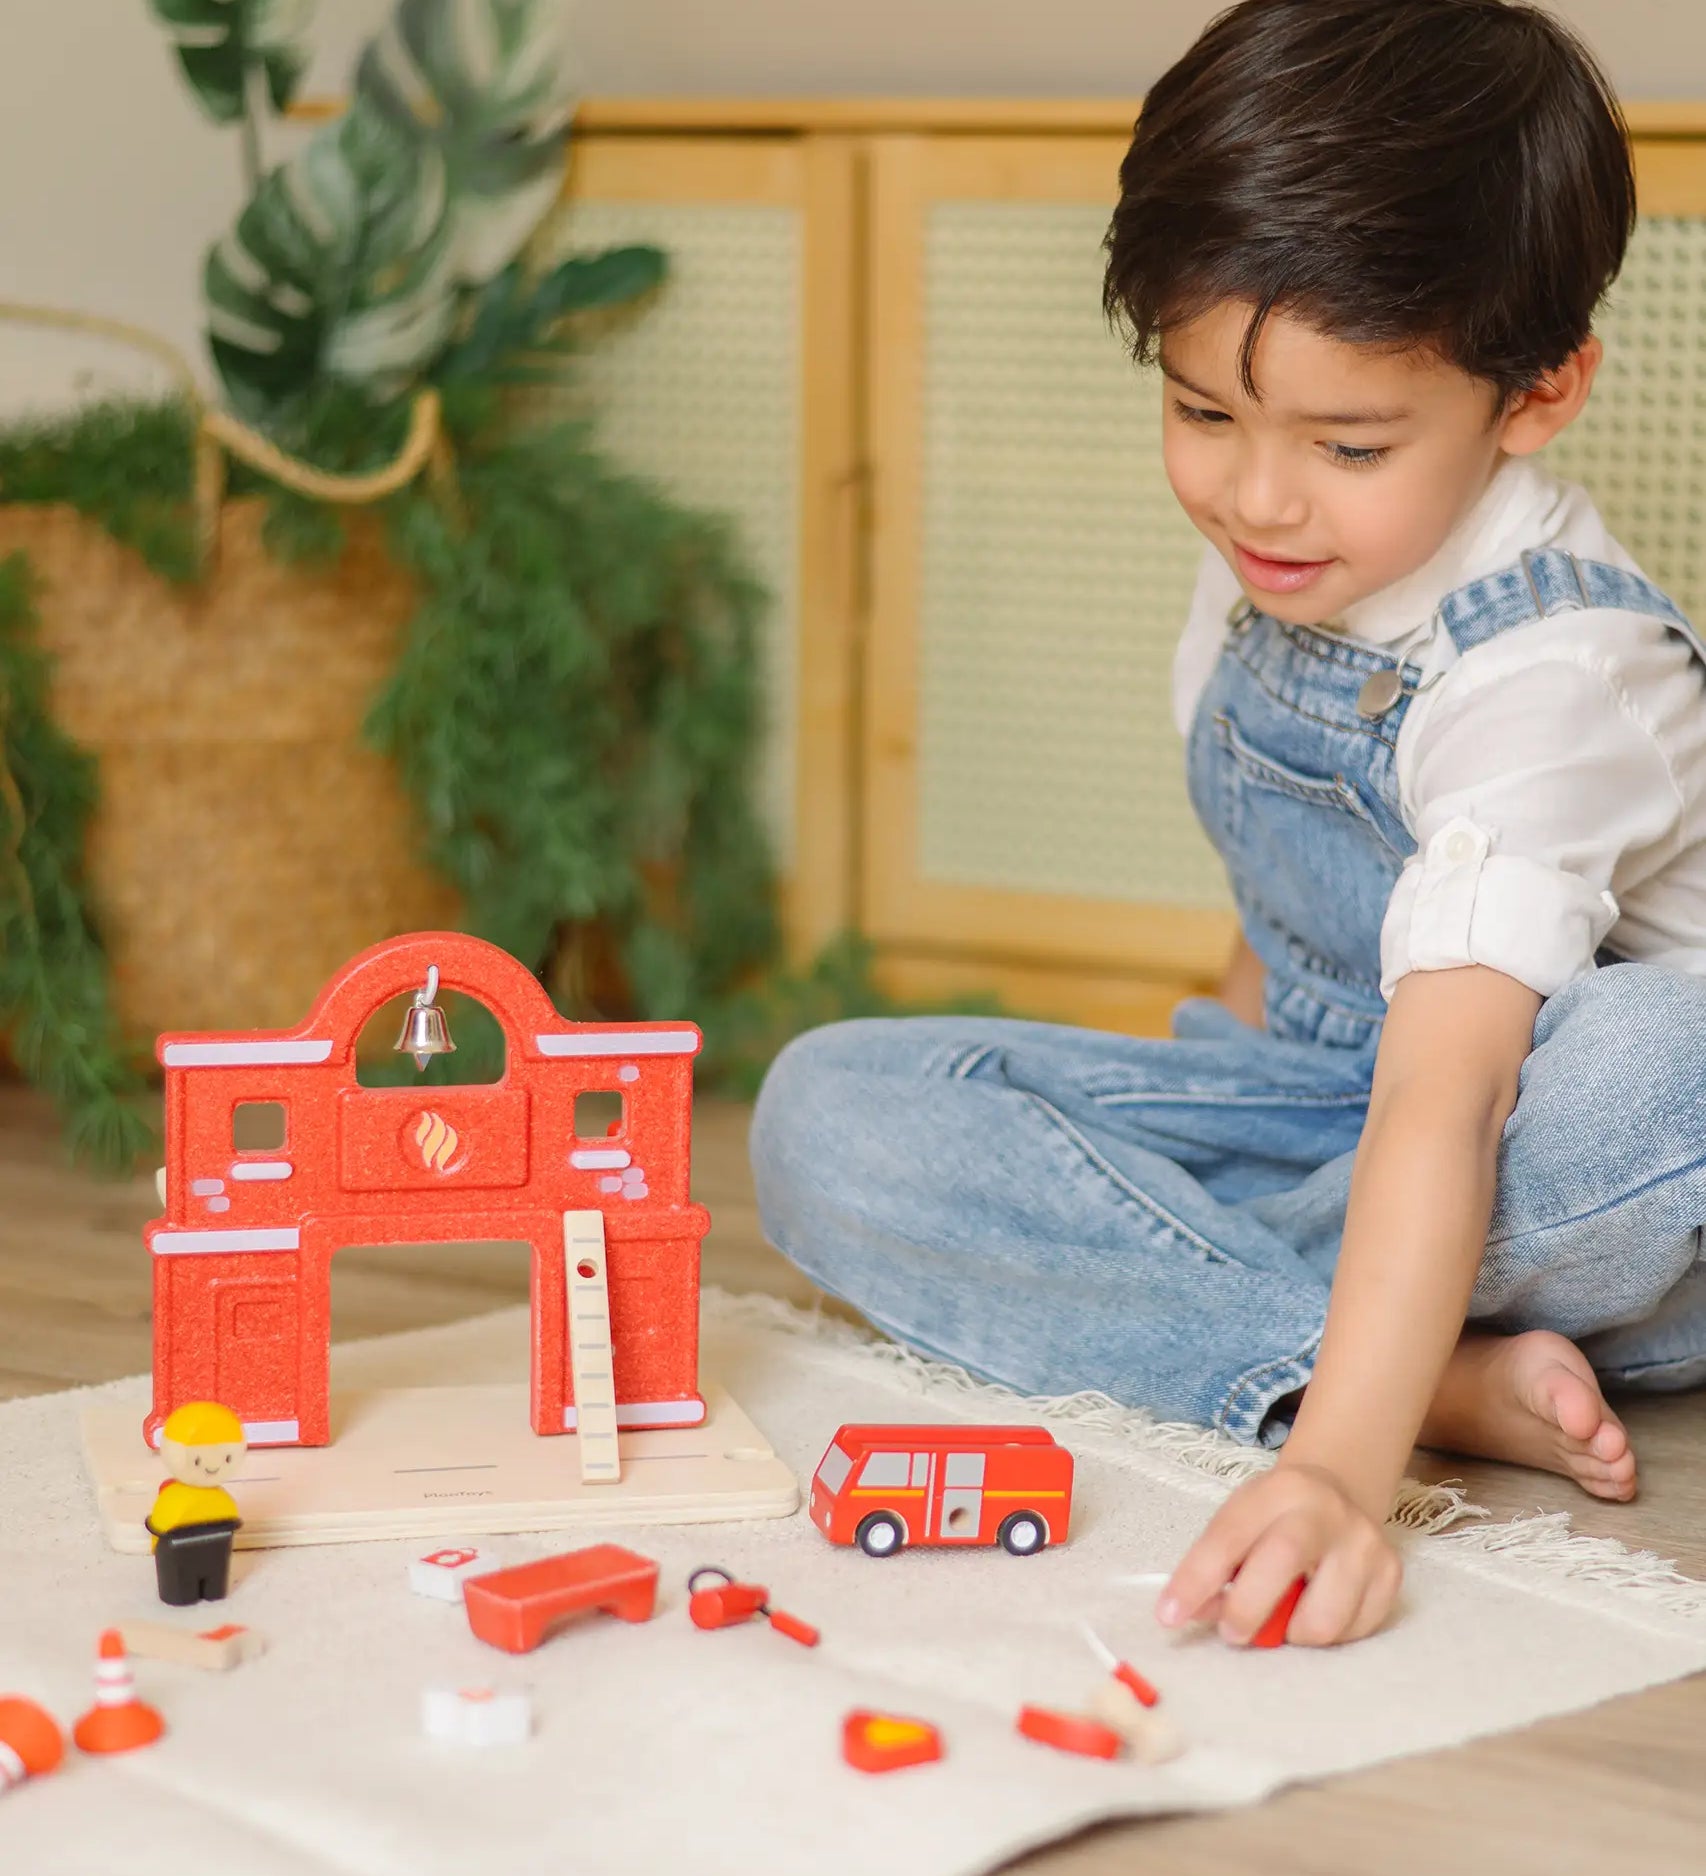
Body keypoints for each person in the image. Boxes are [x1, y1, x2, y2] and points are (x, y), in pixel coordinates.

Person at [750, 0, 1706, 1648]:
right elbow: (1277, 930)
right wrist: (1146, 1118)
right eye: (1203, 414)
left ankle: (1308, 1358)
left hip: (1536, 1149)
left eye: (1345, 445)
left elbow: (1452, 1088)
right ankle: (1422, 1371)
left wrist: (1337, 1476)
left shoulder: (1556, 673)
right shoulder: (1276, 569)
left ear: (1536, 394)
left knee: (1660, 1074)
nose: (1259, 499)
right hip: (1343, 1130)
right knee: (826, 1110)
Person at [146, 1400, 246, 1604]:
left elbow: (158, 1531)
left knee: (213, 1583)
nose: (212, 1465)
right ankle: (192, 1593)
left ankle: (212, 1590)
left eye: (227, 1458)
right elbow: (160, 1530)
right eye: (197, 1460)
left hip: (209, 1548)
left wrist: (156, 1542)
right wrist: (157, 1543)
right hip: (179, 1553)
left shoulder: (222, 1501)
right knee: (180, 1588)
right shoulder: (175, 1500)